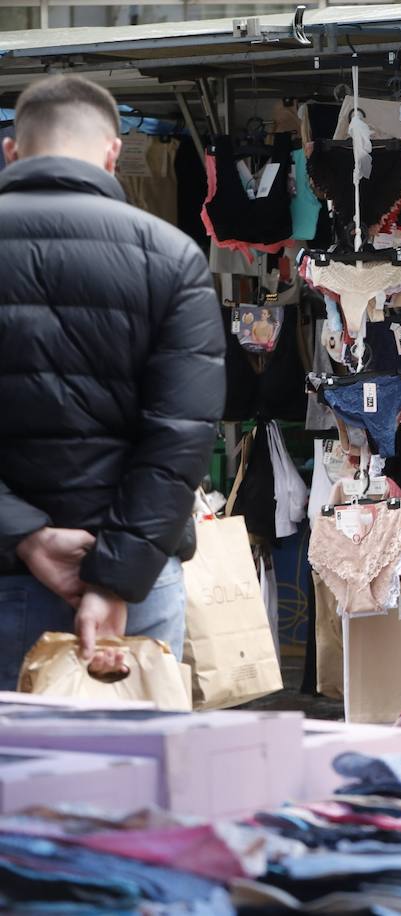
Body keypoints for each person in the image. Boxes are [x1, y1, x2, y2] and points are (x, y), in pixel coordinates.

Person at [0, 75, 224, 687]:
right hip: (137, 584)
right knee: (136, 775)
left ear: (11, 150)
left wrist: (25, 535)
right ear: (112, 152)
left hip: (5, 575)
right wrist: (113, 576)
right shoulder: (173, 258)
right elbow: (181, 439)